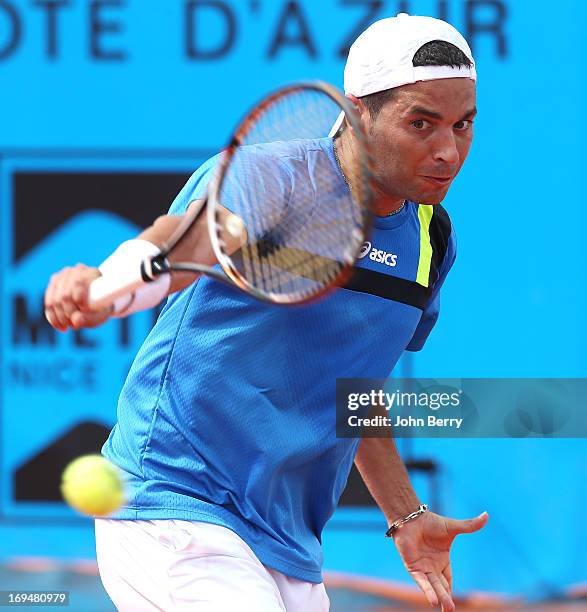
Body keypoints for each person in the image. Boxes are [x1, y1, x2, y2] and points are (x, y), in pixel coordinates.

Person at [44, 13, 489, 612]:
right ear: (359, 112)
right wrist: (105, 283)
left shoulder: (431, 240)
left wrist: (404, 513)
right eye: (421, 123)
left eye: (463, 125)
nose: (447, 150)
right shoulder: (273, 178)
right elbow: (178, 244)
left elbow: (354, 390)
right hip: (177, 504)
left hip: (287, 541)